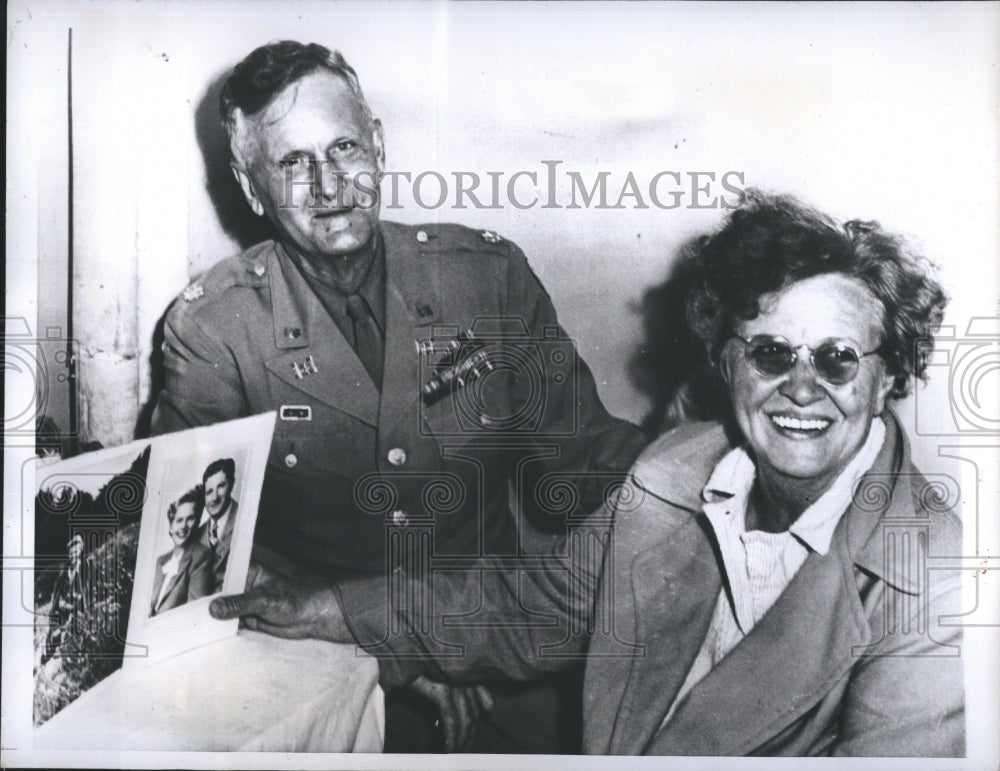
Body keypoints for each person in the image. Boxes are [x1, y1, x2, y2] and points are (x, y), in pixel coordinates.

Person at [213, 191, 964, 756]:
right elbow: (523, 608)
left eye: (836, 358)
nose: (801, 388)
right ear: (727, 361)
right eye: (771, 352)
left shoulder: (937, 576)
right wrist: (328, 611)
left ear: (889, 372)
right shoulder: (679, 470)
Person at [150, 41, 648, 751]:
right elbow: (200, 551)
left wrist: (701, 476)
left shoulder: (487, 278)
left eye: (344, 147)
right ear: (252, 187)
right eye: (293, 163)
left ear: (377, 145)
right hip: (322, 663)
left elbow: (586, 460)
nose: (329, 184)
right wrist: (387, 654)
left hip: (493, 651)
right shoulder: (215, 331)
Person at [151, 488, 214, 616]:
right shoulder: (161, 561)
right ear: (171, 526)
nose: (183, 527)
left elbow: (194, 613)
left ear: (197, 523)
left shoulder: (201, 557)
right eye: (179, 520)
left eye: (190, 519)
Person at [41, 534, 89, 664]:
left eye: (76, 552)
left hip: (76, 611)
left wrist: (71, 605)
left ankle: (65, 658)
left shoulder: (85, 568)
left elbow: (83, 592)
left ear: (81, 551)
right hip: (62, 611)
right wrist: (55, 609)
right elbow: (56, 595)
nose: (73, 555)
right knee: (53, 634)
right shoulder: (64, 573)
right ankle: (46, 659)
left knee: (68, 636)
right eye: (71, 553)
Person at [198, 458, 238, 592]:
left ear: (231, 485)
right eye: (209, 492)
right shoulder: (197, 535)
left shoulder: (245, 517)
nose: (214, 497)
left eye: (221, 486)